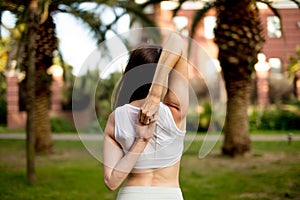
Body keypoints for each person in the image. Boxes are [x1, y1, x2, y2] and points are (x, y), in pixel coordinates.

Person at [103, 32, 189, 200]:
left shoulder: (116, 118)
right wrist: (156, 95)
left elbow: (112, 182)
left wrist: (140, 142)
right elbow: (176, 40)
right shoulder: (174, 110)